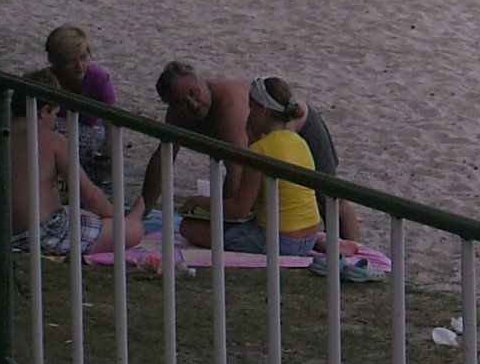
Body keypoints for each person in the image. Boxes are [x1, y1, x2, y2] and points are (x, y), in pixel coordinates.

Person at [146, 61, 361, 243]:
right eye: (182, 103)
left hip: (301, 126)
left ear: (203, 80)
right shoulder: (176, 116)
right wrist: (142, 210)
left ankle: (355, 254)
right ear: (172, 106)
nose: (192, 104)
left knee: (328, 197)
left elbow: (236, 170)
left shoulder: (229, 109)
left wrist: (221, 222)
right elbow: (163, 159)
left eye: (195, 93)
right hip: (267, 144)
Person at [178, 77, 324, 256]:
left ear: (261, 110)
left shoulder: (260, 149)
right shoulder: (299, 142)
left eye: (251, 107)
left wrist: (199, 202)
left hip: (279, 241)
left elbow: (240, 209)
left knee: (189, 228)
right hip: (308, 237)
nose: (247, 114)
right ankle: (320, 244)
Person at [12, 72, 143, 258]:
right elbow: (89, 194)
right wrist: (114, 219)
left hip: (4, 231)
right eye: (55, 115)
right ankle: (133, 217)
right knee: (133, 230)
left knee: (75, 212)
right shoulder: (51, 140)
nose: (54, 122)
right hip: (43, 234)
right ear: (44, 111)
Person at [43, 24, 119, 187]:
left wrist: (110, 158)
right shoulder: (47, 80)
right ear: (56, 61)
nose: (79, 66)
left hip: (91, 137)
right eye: (71, 61)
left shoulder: (99, 78)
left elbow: (112, 122)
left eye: (83, 57)